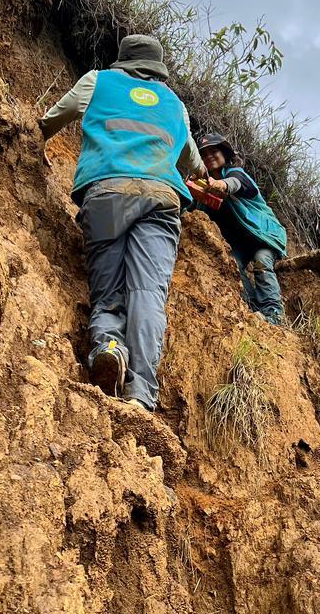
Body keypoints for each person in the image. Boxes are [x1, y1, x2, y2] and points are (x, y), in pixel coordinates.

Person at [38, 34, 206, 412]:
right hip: (162, 198)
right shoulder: (175, 104)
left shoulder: (99, 81)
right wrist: (204, 178)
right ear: (157, 68)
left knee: (108, 289)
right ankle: (141, 391)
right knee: (148, 293)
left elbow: (57, 116)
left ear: (123, 59)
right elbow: (191, 159)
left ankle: (110, 345)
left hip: (108, 190)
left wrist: (36, 136)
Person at [194, 133, 287, 324]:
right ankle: (253, 310)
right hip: (239, 244)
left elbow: (236, 183)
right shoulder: (203, 187)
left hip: (264, 235)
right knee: (231, 267)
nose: (209, 156)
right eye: (204, 154)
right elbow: (192, 210)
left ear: (225, 153)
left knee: (262, 261)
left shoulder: (236, 174)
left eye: (214, 151)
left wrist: (221, 184)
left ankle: (274, 314)